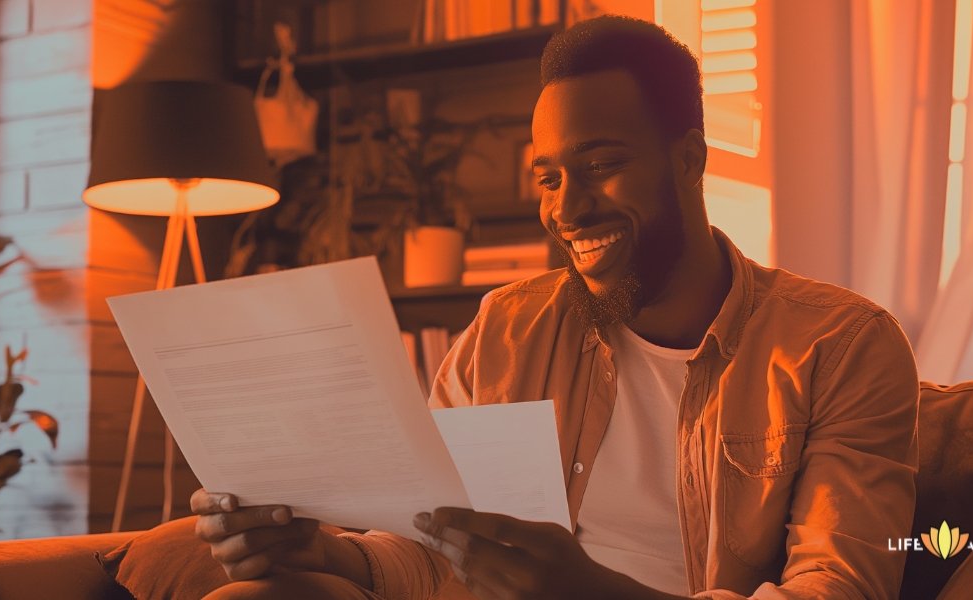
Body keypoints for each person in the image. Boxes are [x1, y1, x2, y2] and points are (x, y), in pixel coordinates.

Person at [193, 15, 919, 600]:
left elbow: (836, 588)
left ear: (690, 160)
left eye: (601, 167)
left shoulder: (840, 346)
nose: (567, 209)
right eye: (548, 178)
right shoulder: (506, 332)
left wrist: (588, 591)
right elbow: (433, 552)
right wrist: (317, 549)